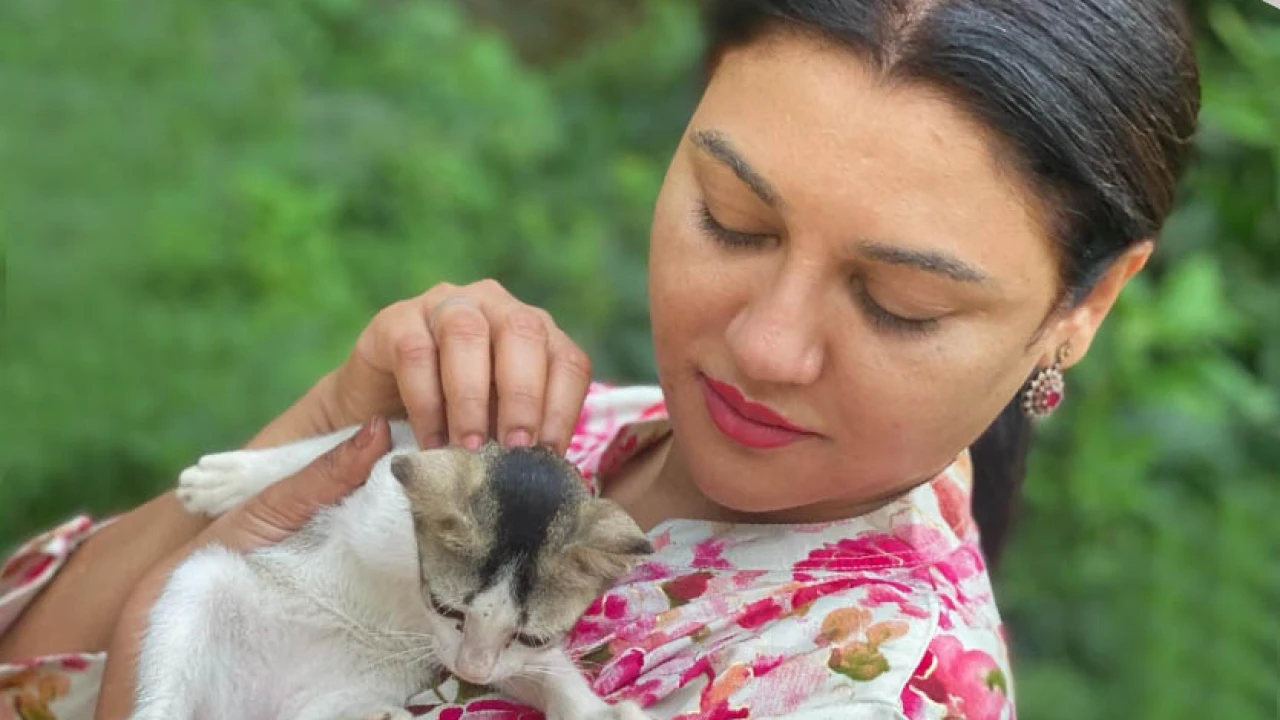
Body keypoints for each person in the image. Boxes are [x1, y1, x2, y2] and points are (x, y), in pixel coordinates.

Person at [0, 1, 1200, 718]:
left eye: (898, 303)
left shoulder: (864, 684)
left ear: (1083, 304)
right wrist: (332, 426)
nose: (761, 347)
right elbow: (25, 665)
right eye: (732, 219)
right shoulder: (572, 433)